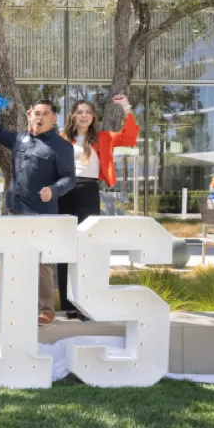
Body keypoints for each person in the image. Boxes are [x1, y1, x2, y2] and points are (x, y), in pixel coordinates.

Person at [0, 95, 75, 326]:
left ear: (54, 118)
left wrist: (53, 190)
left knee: (42, 263)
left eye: (45, 114)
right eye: (37, 113)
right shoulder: (19, 138)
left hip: (42, 214)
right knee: (14, 259)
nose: (40, 118)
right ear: (29, 115)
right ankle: (19, 306)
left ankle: (46, 309)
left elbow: (69, 178)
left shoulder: (61, 146)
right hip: (15, 211)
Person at [58, 95, 137, 320]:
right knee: (65, 248)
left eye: (88, 112)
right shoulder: (62, 139)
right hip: (64, 191)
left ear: (93, 117)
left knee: (86, 247)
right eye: (80, 111)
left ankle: (85, 303)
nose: (84, 115)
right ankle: (67, 304)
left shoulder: (103, 138)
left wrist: (125, 107)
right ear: (73, 116)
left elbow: (130, 137)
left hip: (88, 191)